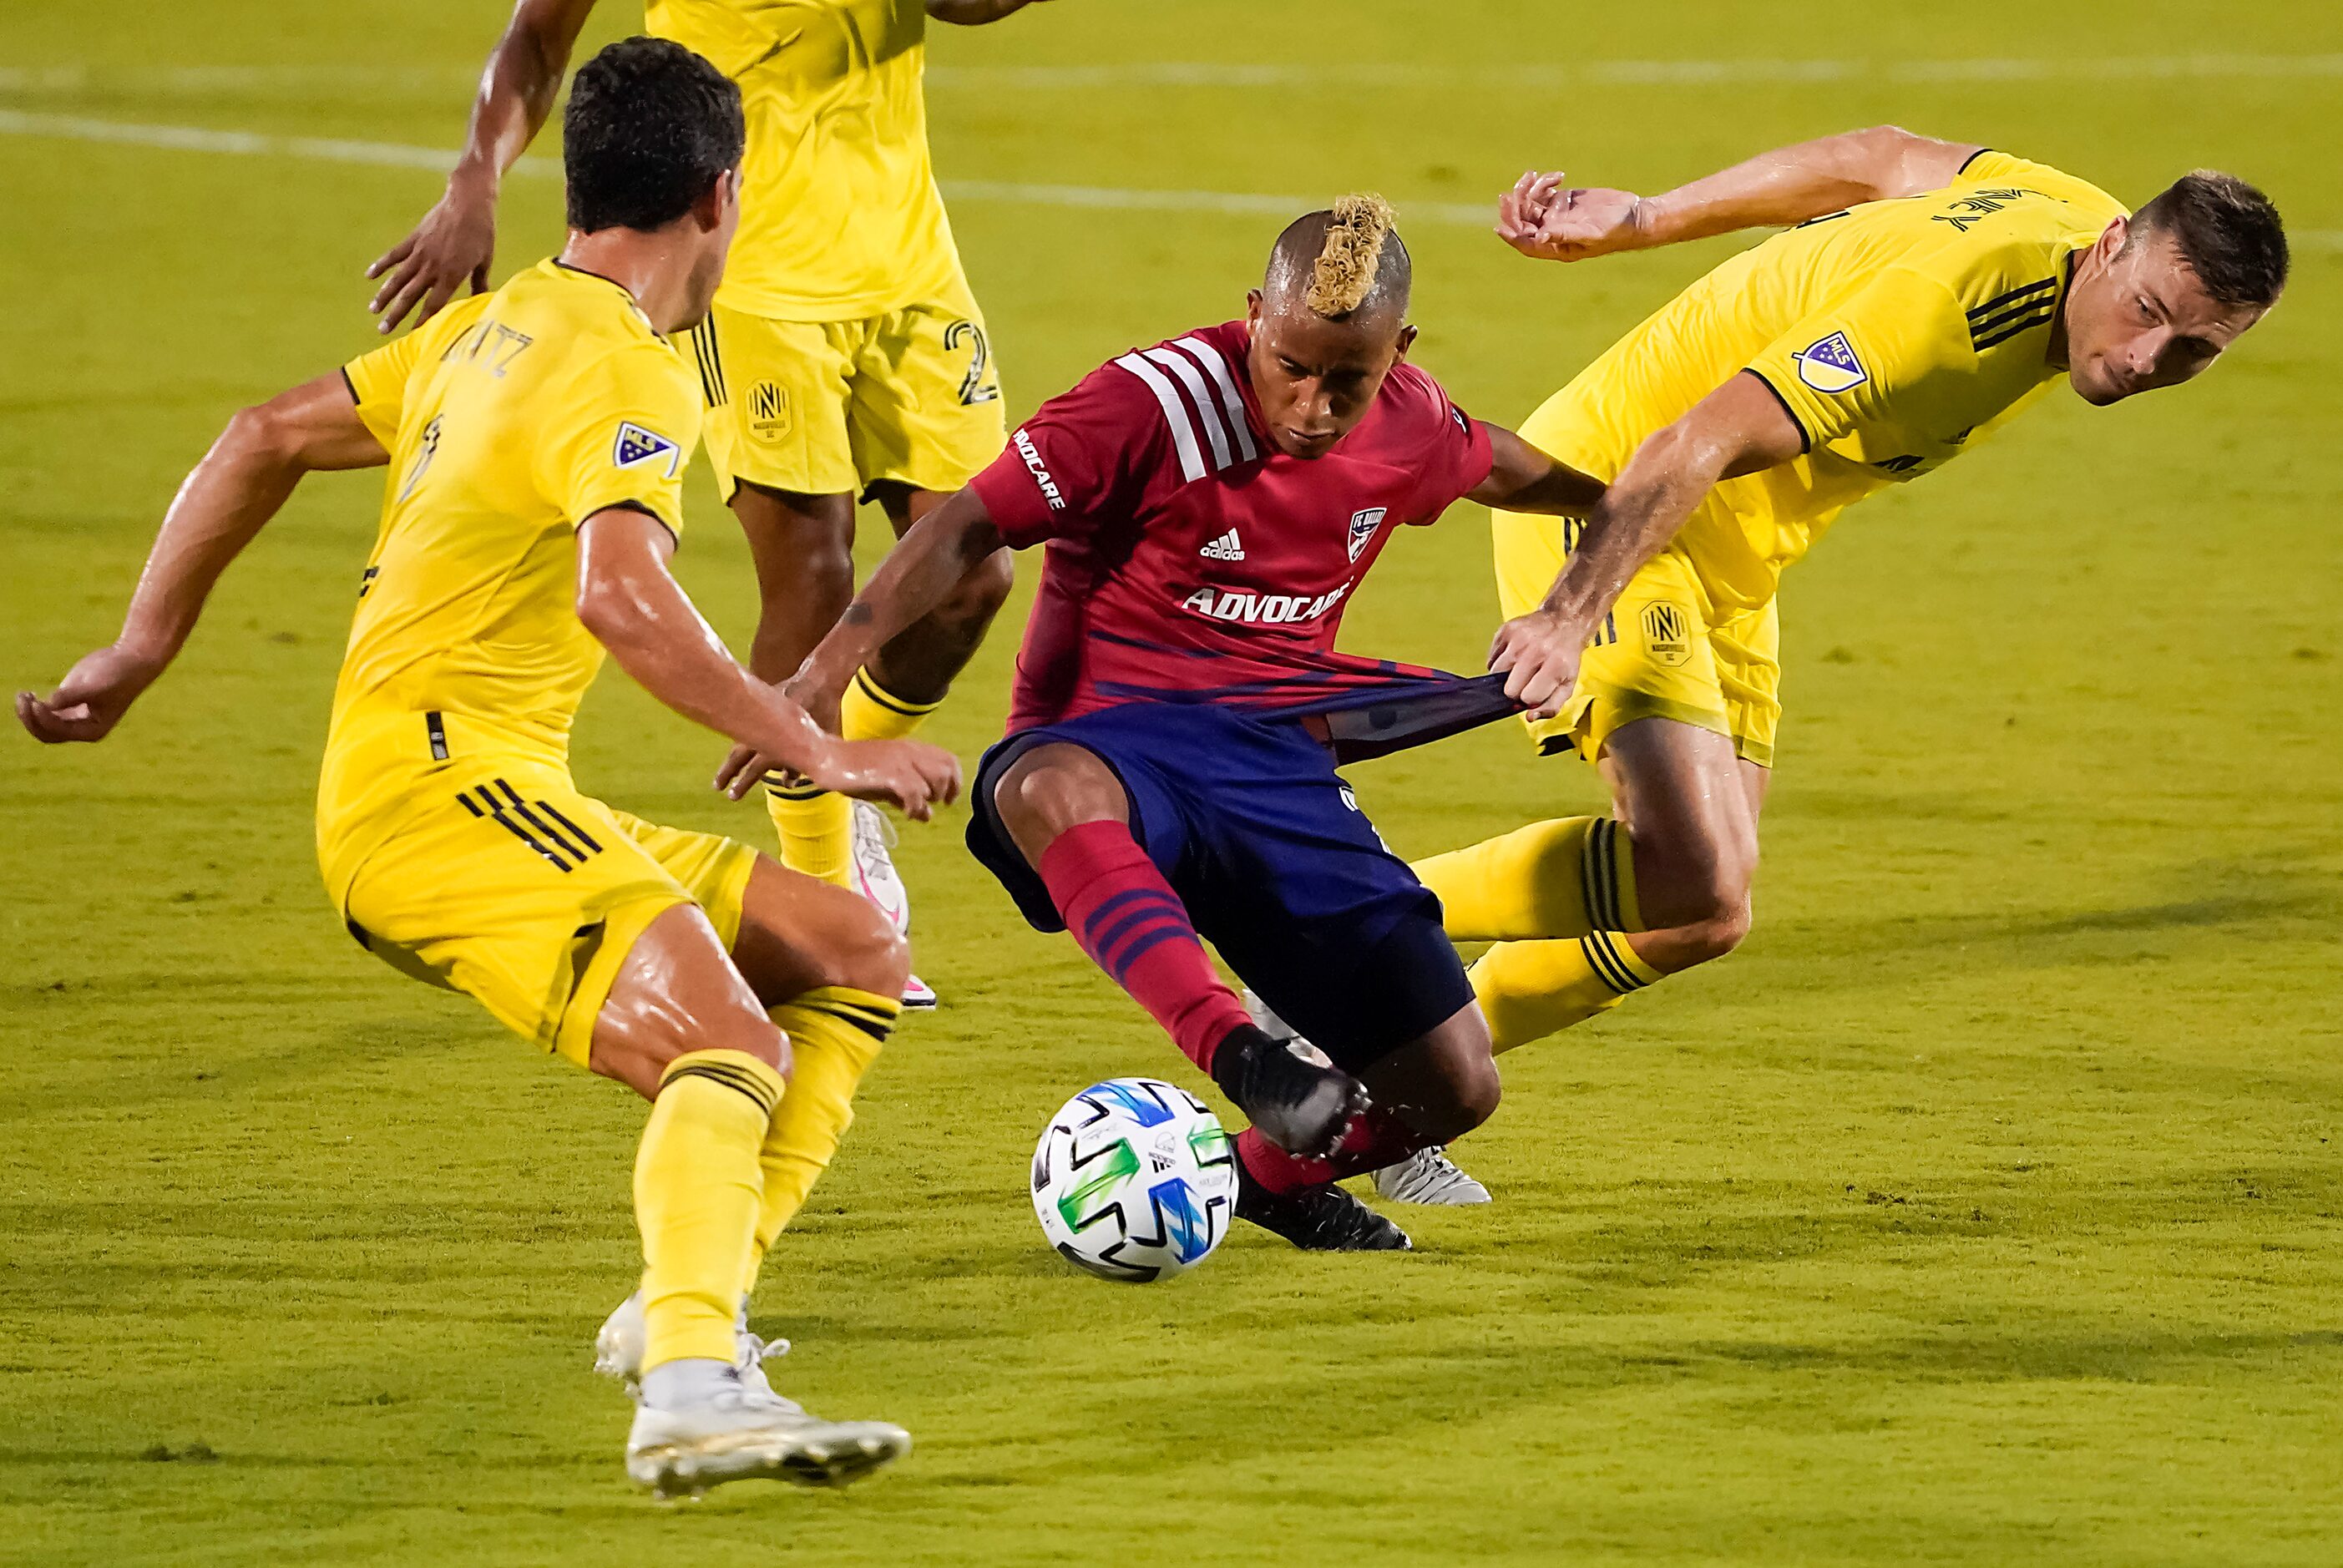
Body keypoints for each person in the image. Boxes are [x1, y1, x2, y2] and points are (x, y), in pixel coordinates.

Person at [17, 39, 961, 1497]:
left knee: (851, 950)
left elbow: (262, 432)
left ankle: (682, 1301)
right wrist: (816, 744)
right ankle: (696, 1386)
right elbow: (623, 600)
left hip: (472, 783)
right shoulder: (629, 371)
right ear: (722, 197)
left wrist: (139, 649)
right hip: (439, 801)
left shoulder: (499, 323)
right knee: (730, 1047)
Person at [1391, 129, 2286, 1198]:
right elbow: (1692, 441)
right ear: (2108, 251)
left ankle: (1380, 1081)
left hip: (1734, 550)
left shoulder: (2059, 205)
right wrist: (1570, 612)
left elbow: (1885, 155)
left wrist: (1649, 217)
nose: (2149, 361)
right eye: (2146, 313)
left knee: (1699, 915)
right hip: (1612, 501)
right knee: (1692, 864)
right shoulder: (1944, 317)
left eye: (2194, 350)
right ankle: (1340, 918)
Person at [751, 196, 1606, 1252]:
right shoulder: (1149, 405)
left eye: (1350, 377)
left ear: (1402, 351)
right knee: (1039, 788)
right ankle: (1240, 1055)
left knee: (1452, 1085)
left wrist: (1614, 538)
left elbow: (1536, 477)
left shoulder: (1413, 428)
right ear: (1255, 316)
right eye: (1291, 364)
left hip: (1272, 757)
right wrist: (824, 673)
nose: (1313, 403)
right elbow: (968, 521)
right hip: (1112, 736)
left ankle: (1260, 1178)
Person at [368, 0, 1055, 1007]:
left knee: (973, 578)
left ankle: (838, 746)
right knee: (811, 574)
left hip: (907, 265)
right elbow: (539, 35)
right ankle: (828, 876)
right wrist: (474, 178)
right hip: (746, 275)